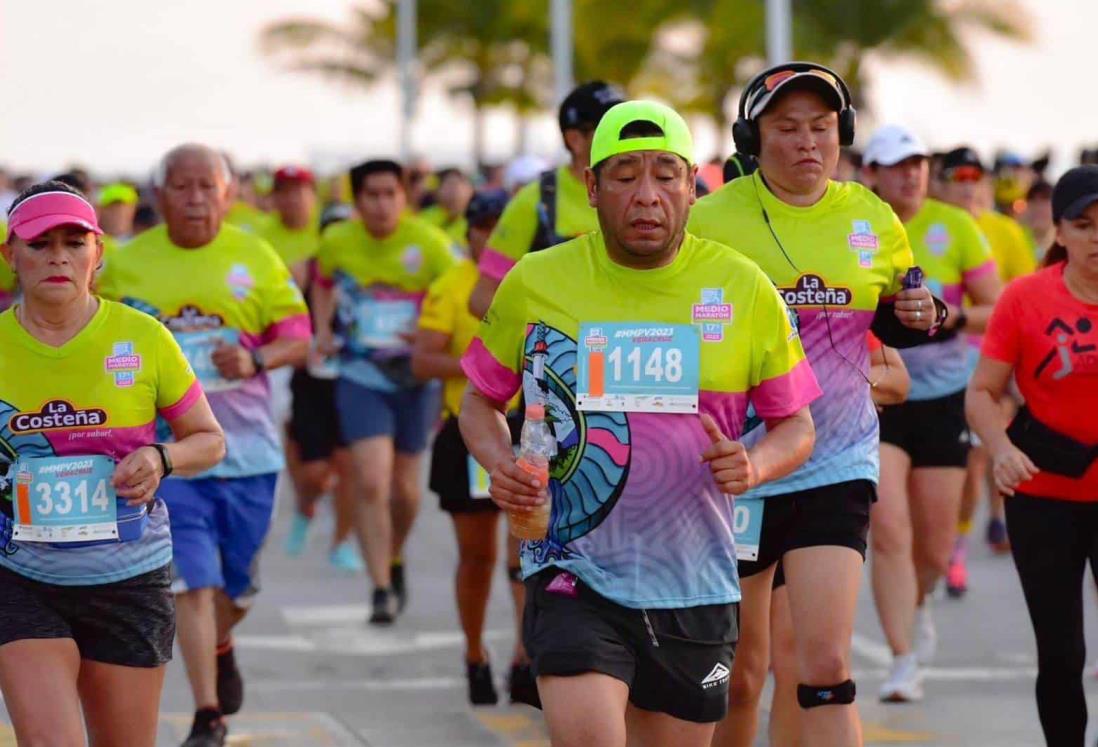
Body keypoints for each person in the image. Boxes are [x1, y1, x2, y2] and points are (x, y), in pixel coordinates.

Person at [460, 98, 819, 747]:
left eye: (664, 174)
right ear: (592, 188)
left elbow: (797, 425)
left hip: (694, 579)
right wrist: (502, 462)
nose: (646, 195)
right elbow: (478, 399)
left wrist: (754, 462)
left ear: (692, 186)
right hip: (571, 568)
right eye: (625, 175)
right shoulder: (537, 281)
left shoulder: (743, 287)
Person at [687, 62, 940, 747]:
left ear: (844, 134)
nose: (807, 143)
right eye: (787, 129)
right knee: (738, 672)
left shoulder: (871, 217)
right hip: (741, 465)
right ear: (752, 138)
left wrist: (920, 310)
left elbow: (892, 314)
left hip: (837, 459)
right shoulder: (707, 220)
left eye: (822, 129)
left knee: (825, 666)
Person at [97, 144, 311, 747]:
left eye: (205, 187)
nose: (194, 199)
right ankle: (208, 713)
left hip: (249, 455)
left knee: (235, 588)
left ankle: (221, 640)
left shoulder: (255, 256)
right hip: (171, 458)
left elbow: (299, 337)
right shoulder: (124, 263)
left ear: (229, 194)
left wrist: (254, 357)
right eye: (181, 187)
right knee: (191, 582)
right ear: (159, 195)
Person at [0, 182, 224, 746]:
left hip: (128, 577)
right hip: (20, 577)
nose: (57, 256)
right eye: (39, 243)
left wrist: (160, 456)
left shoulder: (143, 337)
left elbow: (209, 440)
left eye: (74, 242)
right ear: (10, 255)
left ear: (98, 253)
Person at [860, 125, 1001, 701]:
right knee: (890, 527)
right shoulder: (855, 226)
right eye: (896, 165)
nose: (910, 174)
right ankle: (901, 658)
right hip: (876, 394)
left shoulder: (956, 226)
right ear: (870, 172)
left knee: (936, 545)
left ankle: (918, 609)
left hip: (945, 394)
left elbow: (998, 308)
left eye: (917, 163)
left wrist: (950, 319)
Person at [966, 165, 1098, 747]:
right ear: (1061, 232)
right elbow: (982, 391)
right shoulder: (1025, 298)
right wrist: (1000, 448)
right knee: (1063, 651)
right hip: (1043, 497)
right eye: (1084, 225)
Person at [312, 159, 455, 625]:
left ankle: (393, 556)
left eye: (390, 194)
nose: (381, 204)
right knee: (371, 479)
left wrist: (432, 336)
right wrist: (322, 329)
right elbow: (322, 282)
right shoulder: (337, 241)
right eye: (371, 195)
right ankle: (378, 587)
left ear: (404, 196)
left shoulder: (429, 244)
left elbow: (452, 297)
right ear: (357, 202)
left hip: (415, 378)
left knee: (407, 491)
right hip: (361, 374)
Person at [411, 188, 537, 706]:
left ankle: (524, 659)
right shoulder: (453, 285)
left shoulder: (538, 279)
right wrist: (482, 365)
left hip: (532, 431)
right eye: (482, 226)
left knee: (527, 552)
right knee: (478, 556)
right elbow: (423, 361)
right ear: (468, 232)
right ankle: (473, 653)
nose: (490, 236)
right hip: (469, 432)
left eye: (499, 226)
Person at [767, 332, 909, 746]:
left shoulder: (837, 295)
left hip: (830, 475)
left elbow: (897, 378)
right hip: (745, 482)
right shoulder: (736, 280)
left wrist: (837, 381)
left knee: (812, 661)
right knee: (742, 676)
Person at [937, 146, 1036, 584]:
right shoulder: (924, 227)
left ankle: (983, 526)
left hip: (997, 359)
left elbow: (1029, 294)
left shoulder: (1006, 231)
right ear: (941, 183)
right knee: (967, 463)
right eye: (956, 177)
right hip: (941, 362)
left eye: (974, 177)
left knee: (983, 452)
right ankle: (953, 538)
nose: (966, 186)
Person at [468, 80, 625, 318]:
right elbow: (483, 297)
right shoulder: (535, 200)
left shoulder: (644, 194)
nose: (625, 136)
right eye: (611, 128)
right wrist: (545, 335)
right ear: (575, 140)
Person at [282, 202, 363, 572]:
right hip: (311, 380)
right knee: (316, 472)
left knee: (349, 468)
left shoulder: (368, 271)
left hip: (352, 379)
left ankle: (341, 541)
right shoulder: (302, 271)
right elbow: (279, 319)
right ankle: (305, 506)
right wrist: (300, 346)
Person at [258, 166, 320, 288]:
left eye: (298, 191)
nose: (291, 199)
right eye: (284, 191)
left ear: (313, 195)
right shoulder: (260, 235)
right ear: (274, 197)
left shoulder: (329, 227)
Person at [419, 168, 474, 247]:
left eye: (458, 184)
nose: (455, 191)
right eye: (449, 185)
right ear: (436, 191)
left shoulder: (478, 219)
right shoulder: (424, 218)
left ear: (470, 189)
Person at [1021, 180, 1055, 261]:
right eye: (1033, 201)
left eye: (1044, 201)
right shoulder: (1016, 239)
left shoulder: (1066, 245)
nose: (1039, 208)